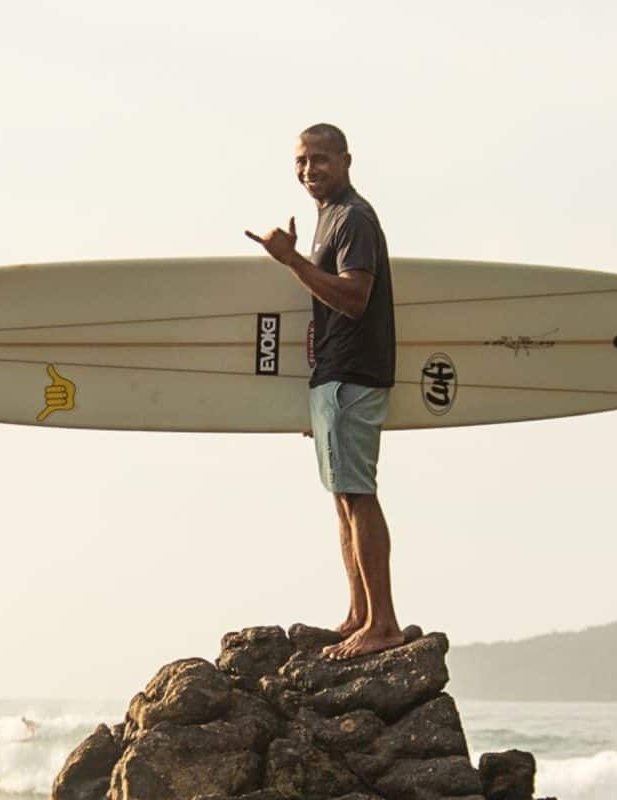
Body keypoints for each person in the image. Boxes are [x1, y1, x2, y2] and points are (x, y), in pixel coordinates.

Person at [245, 123, 402, 660]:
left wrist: (291, 262)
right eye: (301, 161)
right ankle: (360, 613)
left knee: (358, 494)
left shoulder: (354, 217)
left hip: (355, 373)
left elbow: (357, 299)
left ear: (346, 160)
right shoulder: (329, 219)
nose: (309, 169)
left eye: (320, 159)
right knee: (343, 498)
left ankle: (383, 623)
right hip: (334, 373)